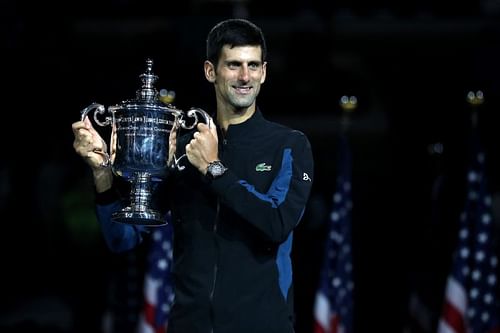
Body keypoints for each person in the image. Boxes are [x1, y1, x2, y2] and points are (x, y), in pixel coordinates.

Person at [72, 18, 314, 333]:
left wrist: (214, 169)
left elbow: (277, 223)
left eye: (253, 65)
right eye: (233, 65)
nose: (245, 77)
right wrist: (101, 171)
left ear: (264, 72)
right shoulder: (185, 149)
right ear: (210, 71)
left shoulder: (289, 144)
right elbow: (122, 239)